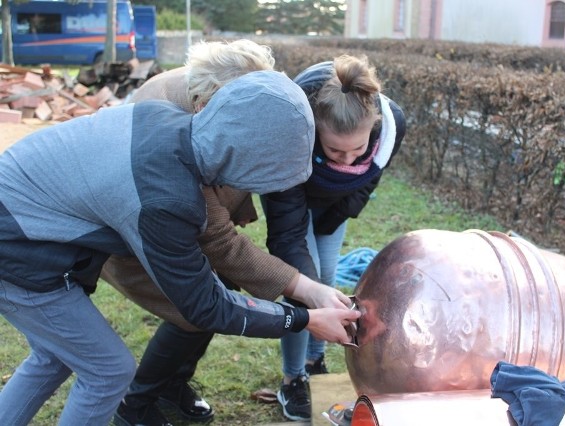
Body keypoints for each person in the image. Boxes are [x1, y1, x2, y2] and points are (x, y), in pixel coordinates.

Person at [0, 68, 361, 426]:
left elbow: (220, 241)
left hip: (19, 230)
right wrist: (305, 320)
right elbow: (206, 306)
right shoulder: (164, 197)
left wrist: (310, 291)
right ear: (250, 154)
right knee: (108, 371)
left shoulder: (177, 129)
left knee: (54, 357)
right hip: (18, 251)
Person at [98, 40, 353, 426]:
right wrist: (304, 305)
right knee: (197, 309)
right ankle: (136, 405)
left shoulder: (252, 99)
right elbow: (219, 240)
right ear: (209, 103)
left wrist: (312, 291)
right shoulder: (169, 116)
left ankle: (172, 386)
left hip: (185, 222)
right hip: (133, 234)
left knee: (214, 296)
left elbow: (263, 225)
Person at [260, 55, 406, 421]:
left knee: (327, 274)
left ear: (373, 127)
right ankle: (293, 378)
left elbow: (368, 181)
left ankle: (315, 358)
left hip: (335, 202)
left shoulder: (392, 126)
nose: (347, 158)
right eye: (335, 150)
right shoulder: (289, 131)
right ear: (313, 132)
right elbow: (288, 231)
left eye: (356, 150)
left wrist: (333, 218)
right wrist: (305, 287)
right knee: (305, 286)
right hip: (291, 197)